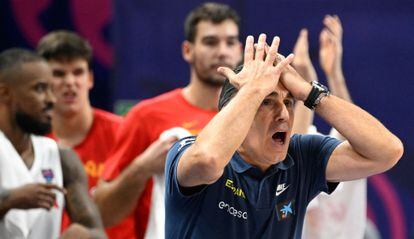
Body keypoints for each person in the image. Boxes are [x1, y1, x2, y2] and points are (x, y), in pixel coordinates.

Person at [164, 34, 403, 238]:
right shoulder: (187, 149)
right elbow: (207, 162)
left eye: (288, 102)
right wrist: (253, 89)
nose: (283, 115)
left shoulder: (300, 158)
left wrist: (308, 93)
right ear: (236, 110)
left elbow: (387, 152)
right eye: (266, 101)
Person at [94, 2, 242, 239]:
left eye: (230, 42)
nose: (222, 51)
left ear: (240, 49)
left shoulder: (253, 118)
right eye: (210, 42)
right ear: (187, 50)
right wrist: (142, 168)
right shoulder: (146, 116)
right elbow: (102, 212)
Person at [0, 48, 106, 238]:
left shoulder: (61, 157)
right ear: (5, 93)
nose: (51, 99)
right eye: (40, 88)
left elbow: (97, 232)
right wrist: (9, 200)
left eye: (51, 89)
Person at [36, 31, 133, 239]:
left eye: (78, 72)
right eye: (59, 74)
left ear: (90, 79)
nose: (70, 82)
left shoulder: (124, 132)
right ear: (42, 81)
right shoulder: (30, 144)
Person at [290, 15, 367, 239]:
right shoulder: (285, 153)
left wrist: (334, 75)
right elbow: (292, 156)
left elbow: (354, 131)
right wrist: (306, 85)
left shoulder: (341, 150)